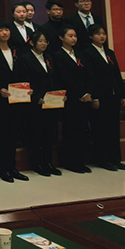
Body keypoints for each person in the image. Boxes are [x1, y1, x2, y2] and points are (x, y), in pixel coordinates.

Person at [0, 20, 31, 183]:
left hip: (17, 98)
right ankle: (3, 169)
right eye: (0, 30)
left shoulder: (17, 51)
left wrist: (26, 88)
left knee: (14, 134)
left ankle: (13, 167)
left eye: (7, 30)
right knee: (2, 135)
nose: (4, 33)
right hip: (0, 100)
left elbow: (23, 74)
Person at [84, 25, 125, 171]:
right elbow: (90, 77)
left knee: (114, 128)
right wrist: (94, 97)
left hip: (113, 95)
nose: (102, 36)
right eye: (98, 34)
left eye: (103, 34)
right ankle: (103, 159)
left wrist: (122, 94)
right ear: (91, 36)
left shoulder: (109, 52)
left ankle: (115, 158)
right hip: (100, 96)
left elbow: (117, 74)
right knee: (101, 128)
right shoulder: (88, 53)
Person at [20, 30, 62, 177]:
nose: (43, 44)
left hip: (50, 102)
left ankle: (48, 162)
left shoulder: (48, 57)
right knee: (37, 134)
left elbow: (54, 79)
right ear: (32, 43)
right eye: (40, 41)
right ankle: (37, 163)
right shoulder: (25, 59)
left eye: (45, 41)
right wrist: (36, 97)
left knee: (49, 134)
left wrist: (59, 95)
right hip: (35, 103)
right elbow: (25, 82)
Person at [53, 27, 94, 173]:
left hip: (84, 98)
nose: (73, 38)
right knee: (71, 130)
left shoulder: (80, 54)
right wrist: (80, 93)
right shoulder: (57, 55)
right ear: (61, 38)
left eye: (75, 36)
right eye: (70, 36)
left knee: (82, 130)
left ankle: (80, 161)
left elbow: (88, 75)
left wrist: (87, 92)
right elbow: (64, 78)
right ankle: (71, 162)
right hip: (70, 98)